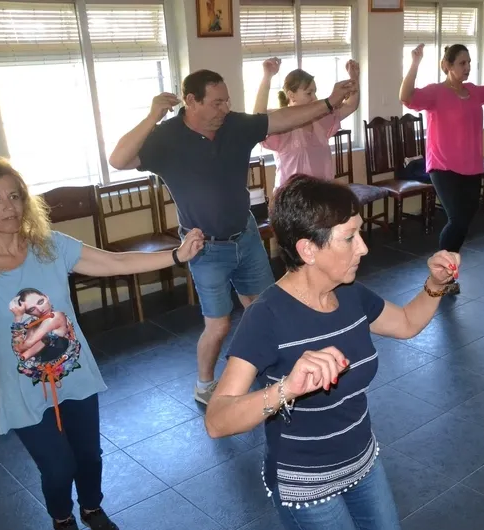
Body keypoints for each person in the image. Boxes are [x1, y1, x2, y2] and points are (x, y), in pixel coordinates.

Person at [203, 175, 460, 530]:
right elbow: (218, 420)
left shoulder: (350, 294)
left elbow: (405, 323)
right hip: (305, 479)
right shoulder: (266, 317)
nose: (363, 247)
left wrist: (434, 285)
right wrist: (287, 388)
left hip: (361, 459)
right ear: (308, 249)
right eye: (350, 237)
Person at [0, 157, 204, 530]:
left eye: (14, 196)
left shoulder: (50, 246)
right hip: (22, 390)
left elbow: (115, 261)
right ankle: (62, 518)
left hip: (75, 374)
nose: (8, 207)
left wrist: (177, 256)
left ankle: (91, 508)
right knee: (57, 466)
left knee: (88, 456)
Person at [109, 69, 356, 406]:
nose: (224, 108)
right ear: (191, 101)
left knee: (264, 309)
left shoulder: (234, 125)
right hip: (204, 247)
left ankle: (272, 370)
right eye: (216, 102)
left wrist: (327, 103)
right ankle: (204, 384)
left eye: (226, 101)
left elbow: (282, 119)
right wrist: (153, 115)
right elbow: (118, 159)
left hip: (246, 235)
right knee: (219, 325)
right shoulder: (166, 138)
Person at [400, 43, 484, 294]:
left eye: (469, 62)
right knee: (457, 219)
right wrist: (414, 63)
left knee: (464, 221)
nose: (467, 67)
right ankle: (440, 274)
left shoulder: (473, 92)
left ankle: (447, 270)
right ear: (447, 66)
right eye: (462, 63)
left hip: (472, 166)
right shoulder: (436, 92)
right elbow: (406, 96)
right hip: (443, 166)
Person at [254, 57, 362, 188]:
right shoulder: (281, 124)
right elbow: (257, 122)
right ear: (291, 95)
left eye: (315, 92)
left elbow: (350, 106)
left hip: (321, 195)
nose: (314, 97)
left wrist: (354, 77)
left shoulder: (321, 119)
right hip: (293, 198)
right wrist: (267, 76)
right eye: (309, 93)